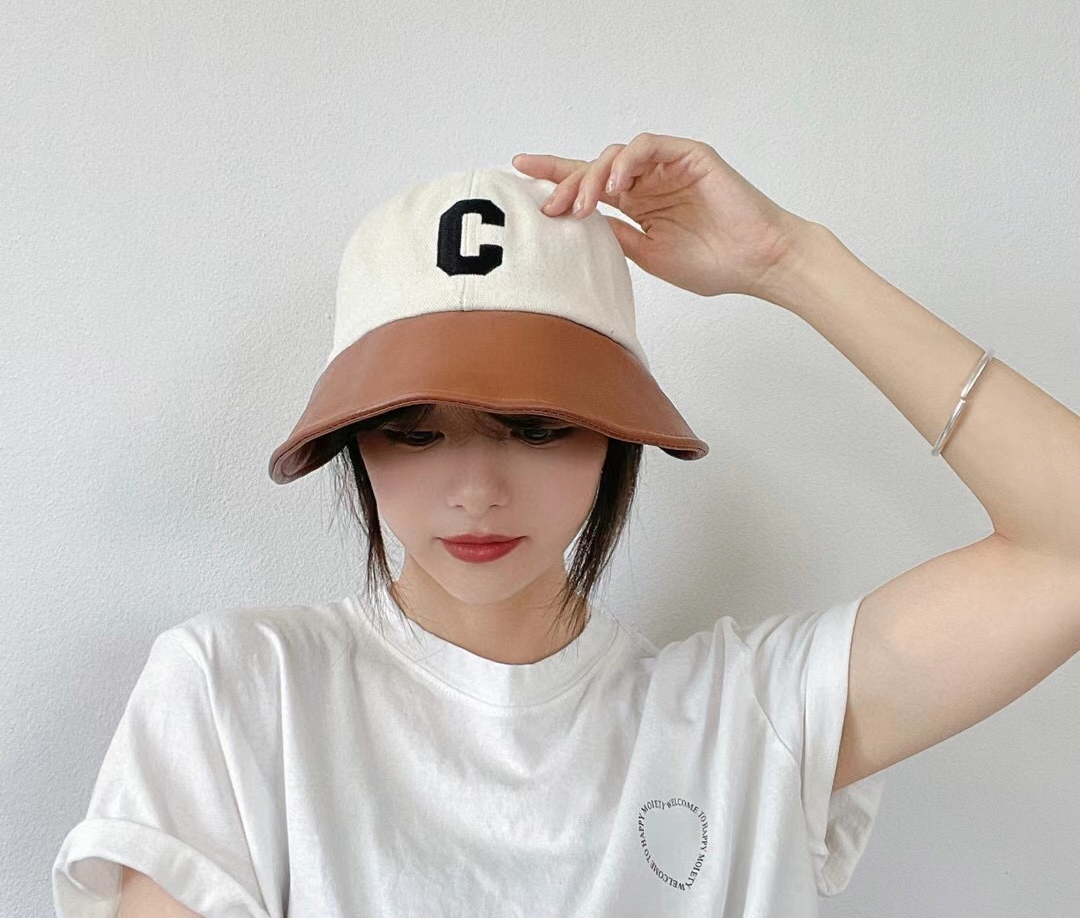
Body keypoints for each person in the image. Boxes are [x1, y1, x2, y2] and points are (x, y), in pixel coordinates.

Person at [53, 132, 893, 915]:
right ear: (355, 442)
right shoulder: (236, 691)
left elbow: (996, 573)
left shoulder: (747, 718)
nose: (477, 492)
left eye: (536, 428)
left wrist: (787, 259)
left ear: (614, 432)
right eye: (415, 434)